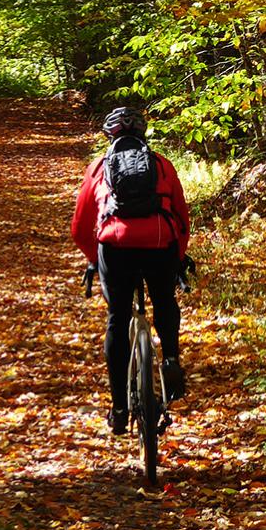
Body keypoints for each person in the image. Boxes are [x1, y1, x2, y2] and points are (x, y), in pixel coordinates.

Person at [70, 106, 192, 434]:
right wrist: (177, 257)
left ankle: (120, 409)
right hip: (159, 242)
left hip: (116, 247)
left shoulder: (97, 167)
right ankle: (170, 360)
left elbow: (81, 227)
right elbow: (181, 217)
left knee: (117, 318)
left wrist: (95, 259)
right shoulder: (162, 164)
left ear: (109, 134)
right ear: (143, 133)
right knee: (165, 300)